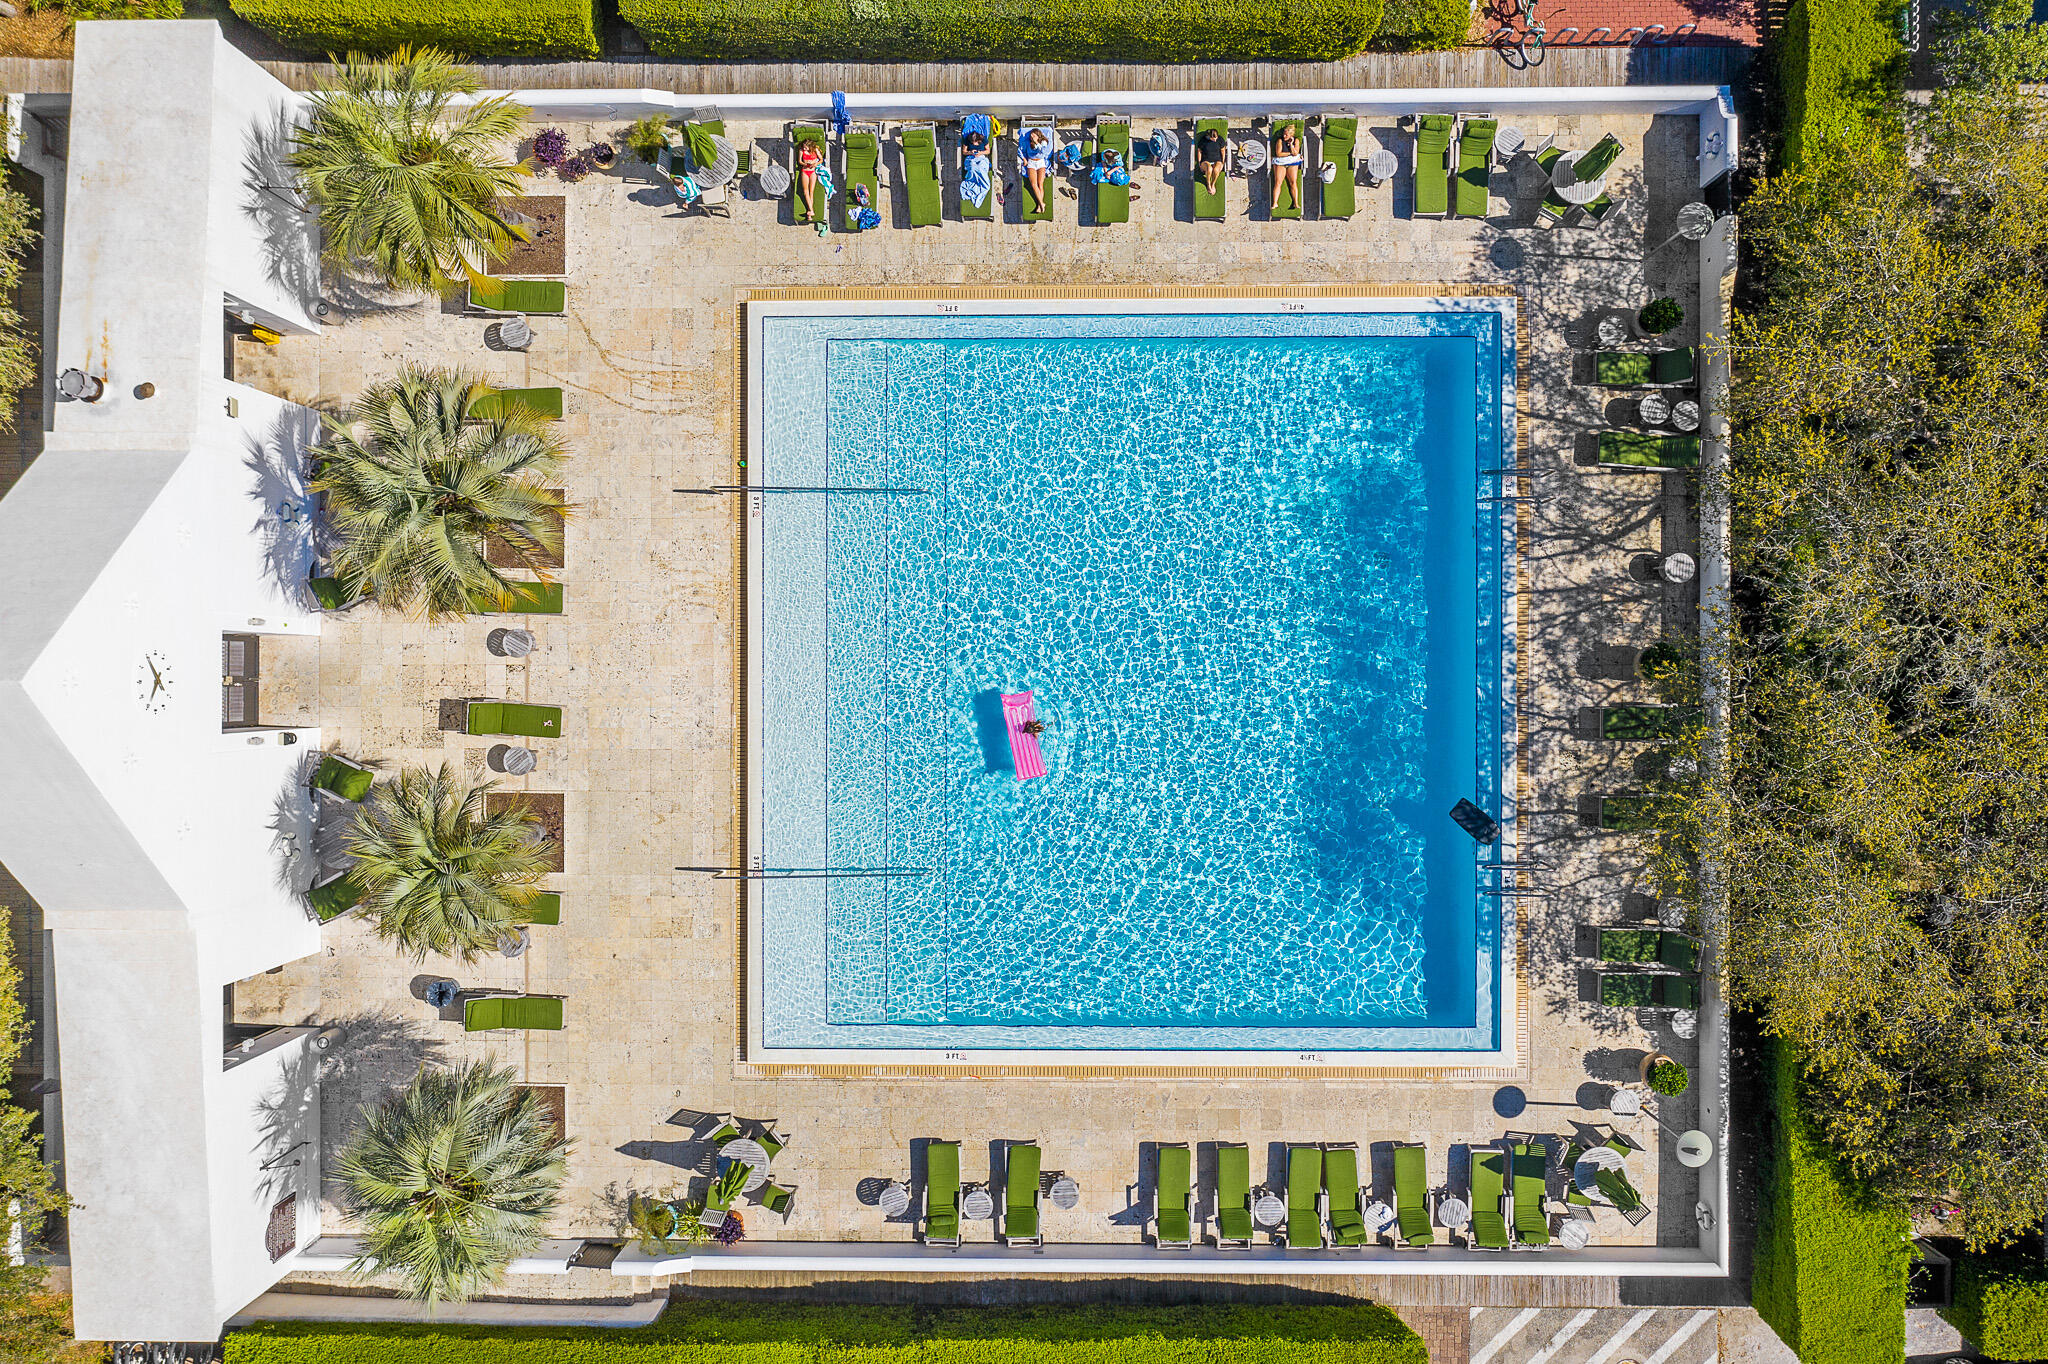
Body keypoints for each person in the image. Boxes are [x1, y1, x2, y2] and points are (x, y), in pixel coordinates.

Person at [1271, 123, 1303, 214]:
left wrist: (1291, 144)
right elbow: (1279, 154)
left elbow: (1295, 153)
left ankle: (1296, 203)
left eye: (1286, 135)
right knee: (1278, 182)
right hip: (1281, 162)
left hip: (1292, 162)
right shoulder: (1280, 141)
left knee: (1293, 182)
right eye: (1284, 134)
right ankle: (1275, 203)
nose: (1284, 136)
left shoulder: (1296, 141)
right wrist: (1290, 154)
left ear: (1291, 135)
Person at [1021, 128, 1052, 214]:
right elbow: (1020, 150)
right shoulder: (1028, 142)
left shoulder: (1043, 142)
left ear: (1038, 135)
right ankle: (1042, 204)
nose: (1032, 138)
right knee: (1034, 184)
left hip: (1040, 162)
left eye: (1034, 136)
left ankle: (1039, 205)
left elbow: (1043, 151)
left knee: (1040, 184)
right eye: (1031, 136)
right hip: (1031, 162)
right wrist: (1024, 159)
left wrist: (1036, 142)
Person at [962, 129, 993, 210]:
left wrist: (980, 153)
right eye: (972, 142)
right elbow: (964, 152)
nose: (973, 143)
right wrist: (971, 152)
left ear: (979, 139)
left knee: (980, 167)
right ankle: (976, 182)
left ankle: (984, 185)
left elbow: (988, 151)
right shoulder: (967, 140)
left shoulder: (984, 139)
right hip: (971, 157)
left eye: (975, 142)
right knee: (972, 167)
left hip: (981, 157)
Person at [796, 137, 823, 222]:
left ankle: (810, 212)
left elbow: (821, 159)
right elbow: (799, 161)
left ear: (810, 146)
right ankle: (811, 211)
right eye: (803, 146)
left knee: (811, 192)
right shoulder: (801, 151)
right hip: (805, 171)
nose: (804, 148)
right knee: (805, 192)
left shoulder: (815, 150)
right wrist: (805, 164)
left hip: (813, 172)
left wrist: (815, 164)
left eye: (805, 147)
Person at [1196, 126, 1226, 195]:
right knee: (1209, 169)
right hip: (1205, 160)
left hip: (1217, 160)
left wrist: (1222, 162)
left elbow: (1223, 151)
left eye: (1216, 138)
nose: (1215, 140)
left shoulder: (1220, 140)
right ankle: (1208, 183)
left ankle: (1213, 184)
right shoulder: (1203, 141)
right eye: (1213, 138)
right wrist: (1199, 163)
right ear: (1209, 136)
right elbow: (1199, 151)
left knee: (1216, 170)